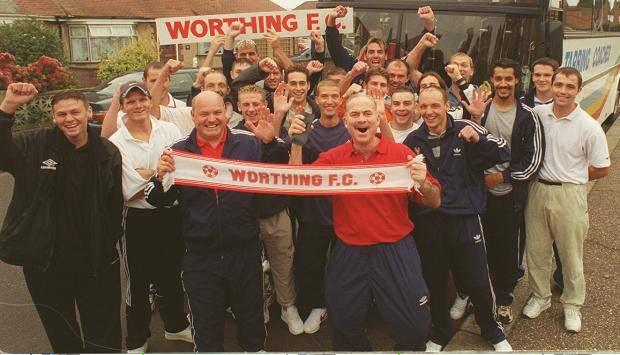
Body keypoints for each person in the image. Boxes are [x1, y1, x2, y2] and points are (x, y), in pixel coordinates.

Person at [289, 92, 441, 351]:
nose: (362, 119)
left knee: (415, 325)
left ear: (378, 118)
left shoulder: (399, 153)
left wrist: (423, 183)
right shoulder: (334, 157)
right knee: (344, 322)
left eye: (367, 113)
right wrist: (296, 142)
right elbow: (296, 183)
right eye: (355, 115)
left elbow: (434, 200)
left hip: (395, 248)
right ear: (346, 121)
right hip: (350, 251)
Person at [145, 91, 288, 351]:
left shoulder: (249, 143)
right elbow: (157, 200)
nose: (211, 119)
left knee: (251, 319)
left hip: (244, 250)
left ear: (226, 113)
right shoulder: (178, 151)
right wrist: (159, 178)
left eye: (216, 112)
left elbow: (282, 172)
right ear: (193, 116)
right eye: (204, 114)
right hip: (201, 255)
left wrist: (270, 144)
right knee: (207, 325)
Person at [0, 83, 123, 353]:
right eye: (62, 114)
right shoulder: (34, 144)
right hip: (46, 263)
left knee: (103, 335)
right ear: (54, 118)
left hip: (95, 262)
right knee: (61, 333)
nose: (69, 119)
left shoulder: (107, 152)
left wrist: (105, 245)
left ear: (89, 112)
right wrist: (7, 108)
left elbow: (114, 209)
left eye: (74, 112)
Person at [403, 86, 512, 352]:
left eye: (435, 106)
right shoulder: (412, 141)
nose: (429, 112)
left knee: (477, 278)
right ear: (419, 108)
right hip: (430, 222)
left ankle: (491, 329)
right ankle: (440, 332)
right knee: (435, 280)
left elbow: (503, 152)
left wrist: (479, 138)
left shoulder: (466, 129)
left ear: (446, 106)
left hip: (465, 218)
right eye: (424, 107)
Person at [523, 67, 610, 333]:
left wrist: (574, 177)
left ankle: (572, 304)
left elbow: (602, 167)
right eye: (558, 84)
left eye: (569, 87)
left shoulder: (589, 127)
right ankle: (540, 297)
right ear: (551, 85)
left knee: (570, 252)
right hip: (537, 190)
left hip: (570, 193)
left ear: (578, 91)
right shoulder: (538, 115)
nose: (562, 91)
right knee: (536, 250)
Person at [108, 82, 192, 352]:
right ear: (122, 107)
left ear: (149, 100)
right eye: (130, 102)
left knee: (171, 274)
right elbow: (128, 189)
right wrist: (157, 174)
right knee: (139, 282)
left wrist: (149, 173)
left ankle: (176, 327)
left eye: (141, 99)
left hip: (170, 215)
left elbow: (179, 172)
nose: (137, 106)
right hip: (136, 220)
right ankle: (137, 339)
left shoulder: (168, 130)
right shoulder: (116, 142)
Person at [234, 84, 304, 334]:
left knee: (283, 259)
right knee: (249, 264)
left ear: (264, 105)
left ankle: (287, 306)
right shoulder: (232, 134)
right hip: (245, 214)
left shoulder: (281, 128)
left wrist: (269, 138)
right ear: (239, 107)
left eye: (256, 104)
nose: (251, 109)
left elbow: (283, 162)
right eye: (246, 104)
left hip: (275, 209)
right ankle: (258, 304)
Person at [480, 59, 544, 325]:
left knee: (507, 250)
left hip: (510, 197)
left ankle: (504, 300)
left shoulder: (528, 116)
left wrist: (503, 176)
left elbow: (534, 159)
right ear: (492, 80)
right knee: (480, 247)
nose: (503, 84)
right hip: (480, 194)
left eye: (509, 79)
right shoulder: (480, 110)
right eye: (499, 79)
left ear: (517, 81)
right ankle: (481, 295)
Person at [291, 80, 350, 334]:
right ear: (316, 99)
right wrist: (295, 139)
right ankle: (315, 305)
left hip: (345, 213)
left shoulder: (351, 130)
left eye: (334, 96)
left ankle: (339, 305)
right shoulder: (306, 128)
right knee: (308, 264)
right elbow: (294, 170)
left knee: (343, 264)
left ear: (340, 100)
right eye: (324, 96)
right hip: (313, 211)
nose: (329, 101)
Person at [519, 57, 563, 288]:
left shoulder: (563, 104)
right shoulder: (523, 103)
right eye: (537, 75)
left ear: (555, 77)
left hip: (553, 177)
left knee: (559, 234)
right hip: (528, 178)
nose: (542, 79)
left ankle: (563, 276)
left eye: (547, 75)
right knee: (525, 229)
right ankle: (518, 270)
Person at [101, 61, 187, 138]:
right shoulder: (129, 112)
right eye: (153, 81)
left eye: (163, 80)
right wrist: (116, 98)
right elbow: (107, 139)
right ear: (144, 81)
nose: (160, 85)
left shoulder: (181, 107)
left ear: (170, 80)